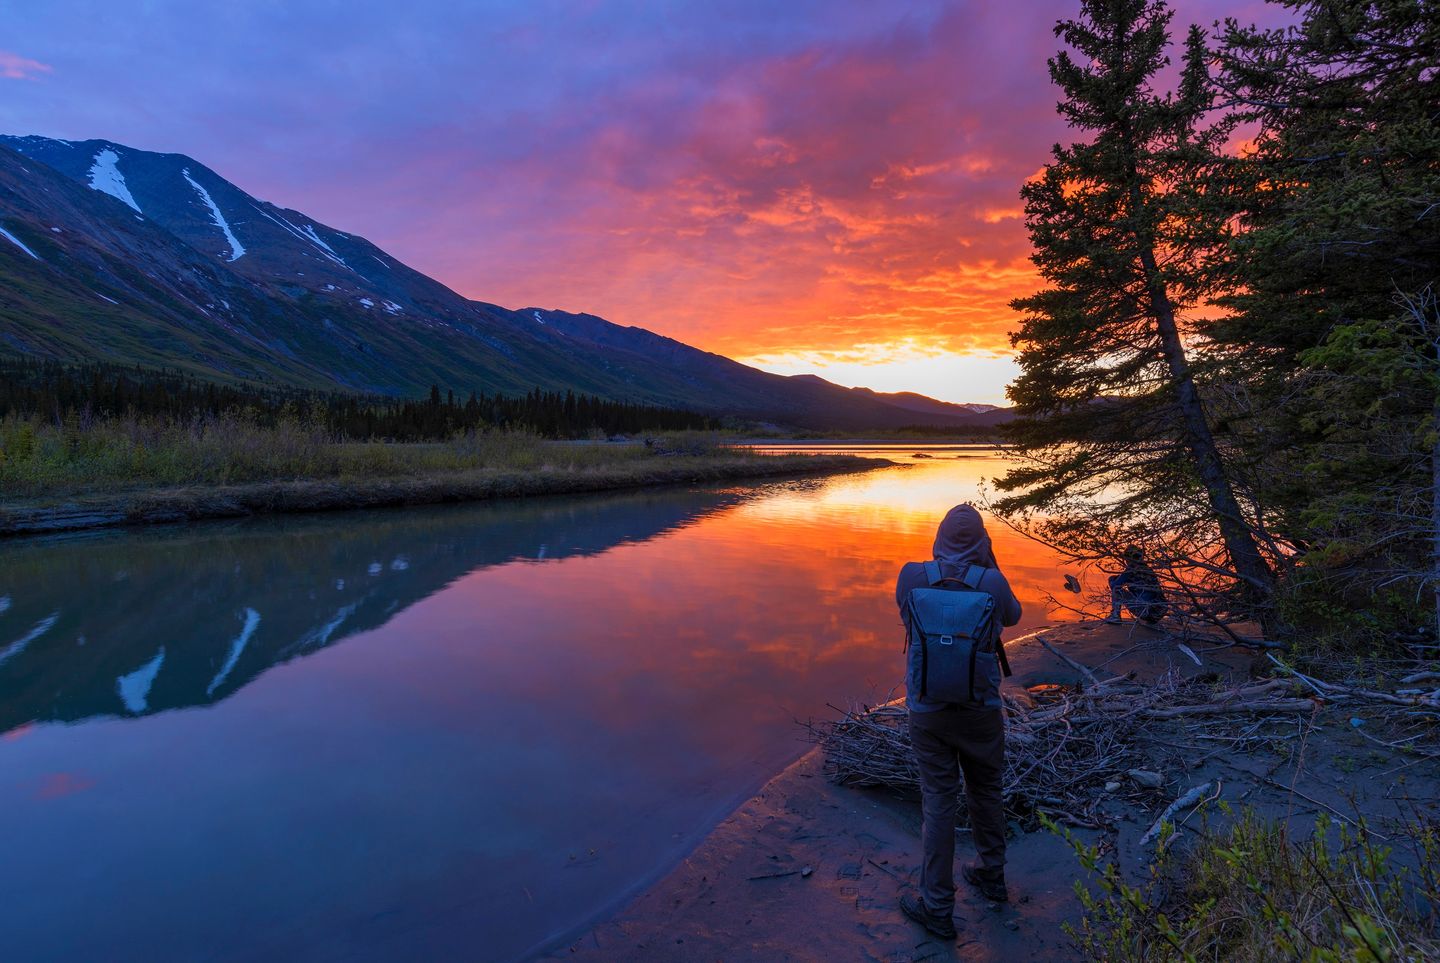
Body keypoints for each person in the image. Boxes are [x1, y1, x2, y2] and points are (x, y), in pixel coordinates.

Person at [894, 503, 1022, 940]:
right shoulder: (992, 580)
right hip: (980, 709)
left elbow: (906, 617)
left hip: (928, 711)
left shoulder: (913, 575)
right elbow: (1013, 617)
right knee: (986, 790)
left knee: (939, 802)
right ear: (982, 540)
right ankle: (991, 875)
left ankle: (937, 906)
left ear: (939, 536)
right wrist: (990, 565)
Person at [1105, 546, 1168, 624]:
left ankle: (1115, 616)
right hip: (1159, 612)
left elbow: (1115, 585)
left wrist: (1113, 580)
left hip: (1145, 610)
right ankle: (1149, 620)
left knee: (1116, 587)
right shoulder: (1148, 569)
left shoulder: (1132, 569)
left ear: (1129, 558)